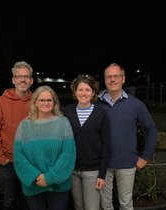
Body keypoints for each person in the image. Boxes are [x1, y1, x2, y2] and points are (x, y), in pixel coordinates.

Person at [98, 63, 158, 210]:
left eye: (116, 76)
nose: (112, 79)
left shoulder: (135, 104)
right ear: (105, 80)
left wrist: (145, 157)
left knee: (126, 203)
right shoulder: (96, 104)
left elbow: (151, 129)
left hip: (126, 163)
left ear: (123, 79)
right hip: (102, 164)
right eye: (109, 76)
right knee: (105, 205)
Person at [13, 85, 76, 210]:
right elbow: (19, 156)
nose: (46, 103)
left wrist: (49, 177)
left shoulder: (63, 123)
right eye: (42, 100)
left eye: (49, 100)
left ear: (54, 103)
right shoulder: (24, 125)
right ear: (35, 102)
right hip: (33, 183)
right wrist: (36, 176)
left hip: (59, 184)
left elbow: (68, 154)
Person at [0, 61, 34, 210]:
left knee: (31, 201)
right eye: (19, 76)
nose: (23, 80)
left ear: (31, 80)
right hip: (9, 162)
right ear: (13, 79)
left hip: (32, 162)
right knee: (9, 201)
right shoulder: (0, 102)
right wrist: (1, 159)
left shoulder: (38, 101)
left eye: (26, 77)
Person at [63, 75, 110, 210]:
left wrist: (102, 174)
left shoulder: (101, 113)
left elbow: (106, 144)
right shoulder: (68, 111)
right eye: (80, 89)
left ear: (93, 92)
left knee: (92, 207)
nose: (84, 93)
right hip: (73, 170)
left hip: (93, 171)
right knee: (78, 206)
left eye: (88, 90)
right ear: (75, 92)